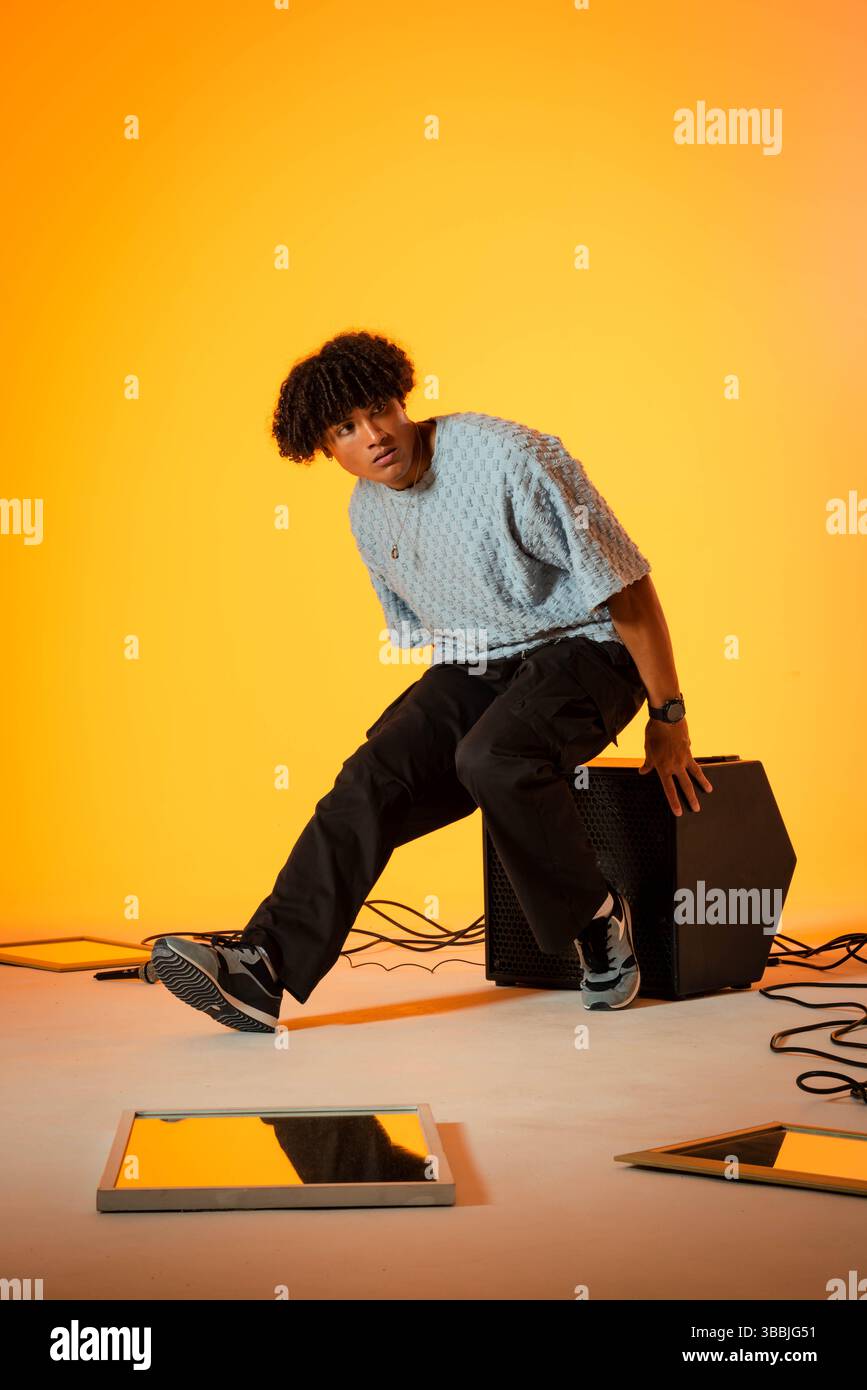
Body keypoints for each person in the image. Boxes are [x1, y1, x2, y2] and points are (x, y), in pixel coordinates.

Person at [151, 330, 712, 1032]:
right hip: (484, 660)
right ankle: (265, 968)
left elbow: (626, 586)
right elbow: (452, 640)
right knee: (370, 775)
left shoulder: (509, 456)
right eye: (345, 429)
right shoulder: (365, 510)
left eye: (379, 409)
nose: (374, 436)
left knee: (493, 756)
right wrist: (429, 731)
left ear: (402, 398)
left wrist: (669, 717)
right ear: (325, 450)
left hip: (590, 647)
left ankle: (596, 919)